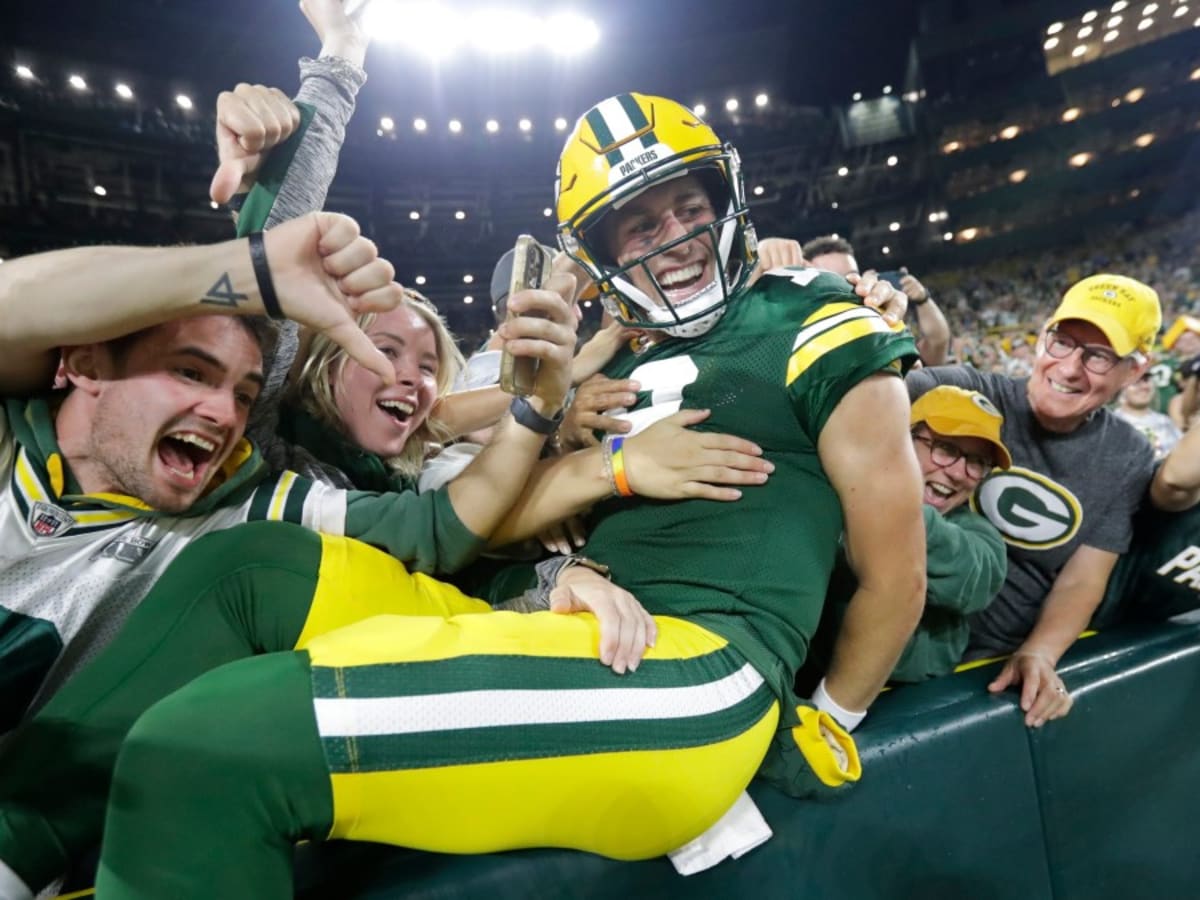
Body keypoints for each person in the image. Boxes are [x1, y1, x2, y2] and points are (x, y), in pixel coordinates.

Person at [38, 92, 923, 899]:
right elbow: (459, 454)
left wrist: (832, 716)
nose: (679, 238)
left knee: (203, 746)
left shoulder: (818, 319)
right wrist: (567, 444)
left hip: (693, 666)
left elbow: (896, 572)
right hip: (557, 621)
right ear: (602, 252)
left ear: (727, 199)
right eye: (641, 225)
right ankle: (16, 842)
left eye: (690, 207)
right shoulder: (612, 352)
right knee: (243, 565)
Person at [906, 273, 1161, 727]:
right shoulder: (968, 392)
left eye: (1098, 356)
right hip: (892, 642)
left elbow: (1082, 579)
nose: (1068, 368)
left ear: (1136, 369)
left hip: (987, 669)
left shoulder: (1128, 455)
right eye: (1061, 342)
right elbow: (851, 395)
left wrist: (1040, 652)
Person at [806, 385, 1009, 685]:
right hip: (807, 680)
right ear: (902, 438)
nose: (957, 472)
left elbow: (974, 580)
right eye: (946, 449)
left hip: (909, 702)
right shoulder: (831, 492)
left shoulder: (978, 534)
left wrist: (884, 498)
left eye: (976, 463)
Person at [801, 235, 950, 365]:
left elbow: (937, 345)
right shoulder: (797, 348)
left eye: (851, 275)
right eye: (831, 278)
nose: (846, 284)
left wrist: (923, 299)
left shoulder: (879, 331)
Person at [1112, 370, 1182, 461]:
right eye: (1136, 382)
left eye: (1146, 380)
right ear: (1121, 388)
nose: (1144, 387)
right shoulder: (1113, 423)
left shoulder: (1165, 421)